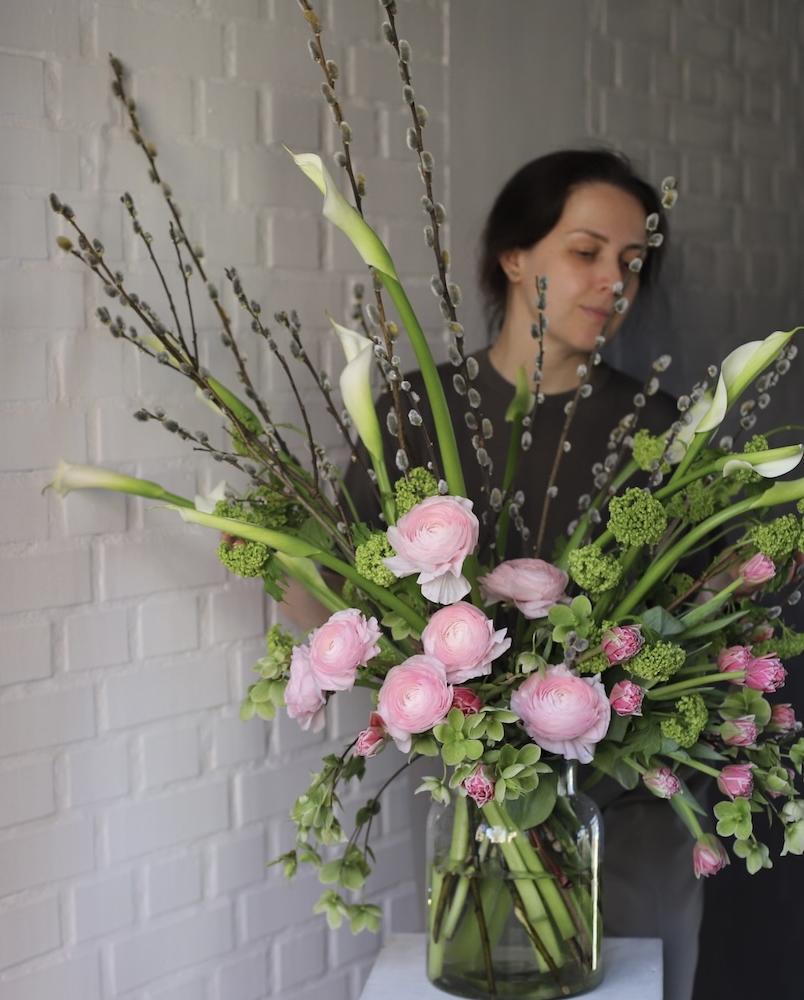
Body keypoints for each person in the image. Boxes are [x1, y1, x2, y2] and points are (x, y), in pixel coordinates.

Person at [284, 148, 704, 1000]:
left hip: (627, 798)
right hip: (474, 800)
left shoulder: (658, 429)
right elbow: (337, 594)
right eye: (586, 252)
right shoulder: (414, 413)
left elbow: (693, 610)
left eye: (632, 262)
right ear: (515, 256)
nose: (614, 282)